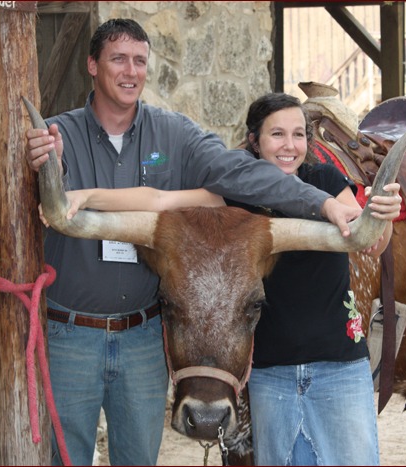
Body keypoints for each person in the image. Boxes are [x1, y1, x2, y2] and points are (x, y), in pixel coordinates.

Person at [25, 19, 366, 466]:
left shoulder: (175, 135)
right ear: (92, 65)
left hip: (145, 334)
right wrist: (42, 168)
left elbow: (239, 173)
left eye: (140, 61)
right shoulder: (54, 136)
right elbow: (27, 208)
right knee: (62, 459)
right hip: (70, 332)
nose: (131, 72)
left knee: (139, 459)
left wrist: (321, 204)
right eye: (118, 59)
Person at [240, 93, 402, 466]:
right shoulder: (239, 194)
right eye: (277, 134)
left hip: (340, 366)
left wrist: (383, 217)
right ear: (254, 140)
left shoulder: (325, 179)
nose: (290, 146)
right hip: (270, 371)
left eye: (299, 135)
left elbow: (372, 241)